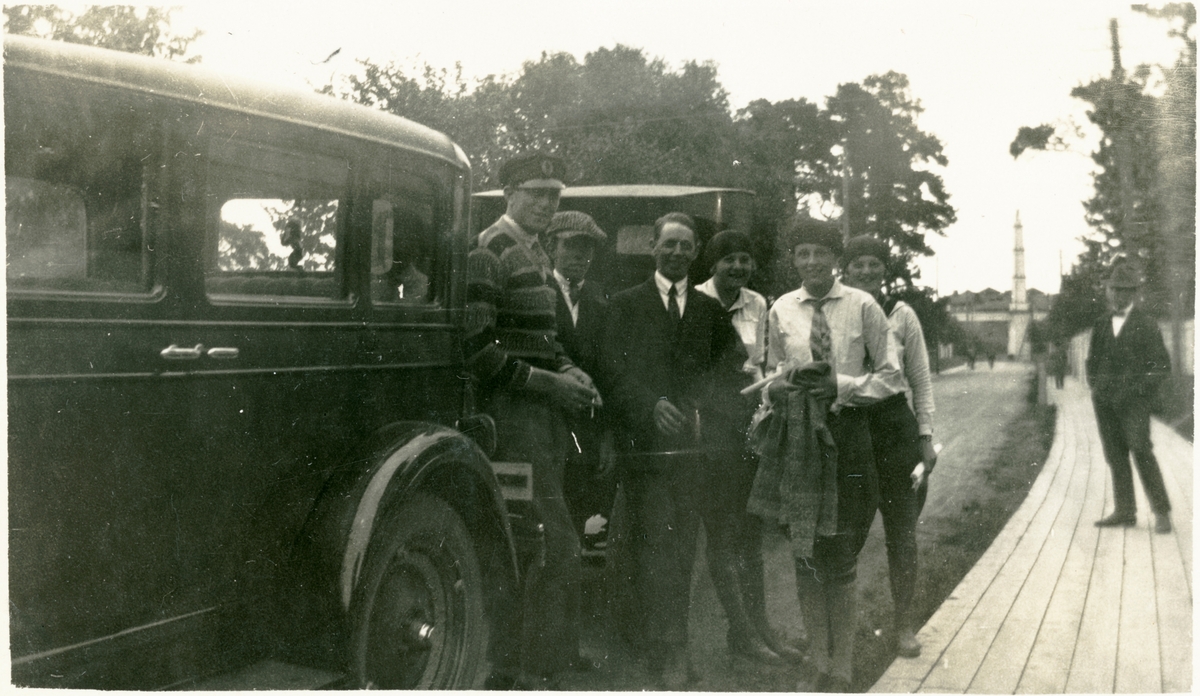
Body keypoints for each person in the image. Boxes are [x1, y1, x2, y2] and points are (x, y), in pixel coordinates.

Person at [747, 218, 905, 693]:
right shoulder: (781, 308)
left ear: (836, 259)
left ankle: (843, 666)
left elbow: (892, 377)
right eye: (803, 253)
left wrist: (841, 385)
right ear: (793, 260)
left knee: (840, 551)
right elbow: (771, 372)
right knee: (806, 552)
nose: (812, 262)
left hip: (848, 433)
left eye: (820, 252)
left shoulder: (863, 305)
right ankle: (818, 660)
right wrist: (777, 388)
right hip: (798, 435)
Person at [464, 152, 602, 688]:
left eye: (554, 194)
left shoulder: (536, 252)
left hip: (544, 418)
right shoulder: (488, 251)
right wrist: (551, 383)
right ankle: (516, 670)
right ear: (509, 194)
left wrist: (569, 369)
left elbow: (544, 341)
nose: (547, 203)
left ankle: (545, 658)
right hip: (510, 418)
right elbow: (477, 352)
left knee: (548, 537)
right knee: (539, 540)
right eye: (537, 192)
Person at [604, 212, 750, 689]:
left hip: (692, 455)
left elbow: (731, 371)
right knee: (648, 549)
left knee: (682, 552)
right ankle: (655, 647)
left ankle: (674, 649)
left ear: (696, 253)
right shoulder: (624, 305)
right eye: (669, 243)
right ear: (653, 246)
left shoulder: (710, 312)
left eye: (686, 245)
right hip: (644, 454)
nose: (677, 252)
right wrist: (649, 406)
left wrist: (701, 407)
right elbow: (612, 371)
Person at [694, 230, 804, 664]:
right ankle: (741, 631)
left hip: (745, 423)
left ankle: (762, 629)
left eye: (744, 259)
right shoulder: (695, 301)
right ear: (713, 264)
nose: (737, 267)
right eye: (729, 260)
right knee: (722, 533)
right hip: (706, 427)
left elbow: (758, 366)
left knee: (750, 531)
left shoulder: (757, 304)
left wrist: (764, 407)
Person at [840, 234, 938, 659]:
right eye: (858, 264)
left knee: (902, 534)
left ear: (885, 270)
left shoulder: (902, 314)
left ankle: (904, 625)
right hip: (851, 428)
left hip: (895, 429)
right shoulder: (838, 311)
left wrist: (925, 437)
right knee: (846, 535)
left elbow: (920, 379)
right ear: (845, 269)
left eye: (874, 264)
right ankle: (839, 636)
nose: (866, 271)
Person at [542, 211, 617, 552]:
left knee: (587, 525)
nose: (580, 255)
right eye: (570, 245)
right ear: (550, 247)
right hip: (545, 424)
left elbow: (610, 373)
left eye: (587, 247)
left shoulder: (604, 300)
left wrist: (608, 434)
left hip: (588, 431)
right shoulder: (536, 290)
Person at [1087, 255, 1173, 534]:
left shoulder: (1146, 324)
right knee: (1115, 456)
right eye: (1114, 289)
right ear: (1108, 291)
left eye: (1124, 290)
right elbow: (1092, 361)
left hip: (1134, 403)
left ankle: (1161, 513)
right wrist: (1096, 389)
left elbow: (1161, 365)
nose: (1117, 295)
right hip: (1105, 403)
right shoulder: (1101, 323)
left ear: (1134, 293)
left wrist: (1138, 392)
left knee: (1141, 451)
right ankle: (1125, 512)